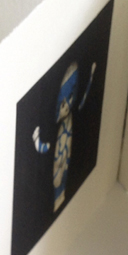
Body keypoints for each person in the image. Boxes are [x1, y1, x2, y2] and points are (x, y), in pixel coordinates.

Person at [32, 61, 96, 213]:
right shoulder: (57, 130)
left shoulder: (70, 121)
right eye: (63, 104)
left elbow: (82, 101)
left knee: (62, 181)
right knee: (58, 180)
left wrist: (91, 76)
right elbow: (45, 148)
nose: (66, 106)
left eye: (69, 99)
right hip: (60, 163)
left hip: (66, 164)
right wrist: (36, 139)